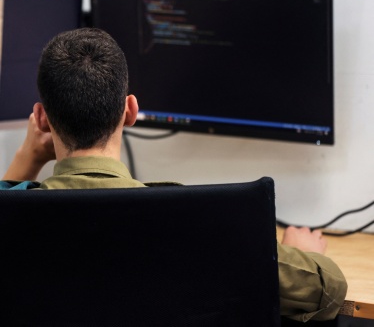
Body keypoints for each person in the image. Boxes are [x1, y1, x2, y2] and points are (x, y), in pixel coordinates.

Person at [2, 28, 347, 322]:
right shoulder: (194, 220)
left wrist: (25, 162)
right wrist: (301, 253)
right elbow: (329, 289)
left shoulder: (14, 224)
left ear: (42, 118)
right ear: (130, 111)